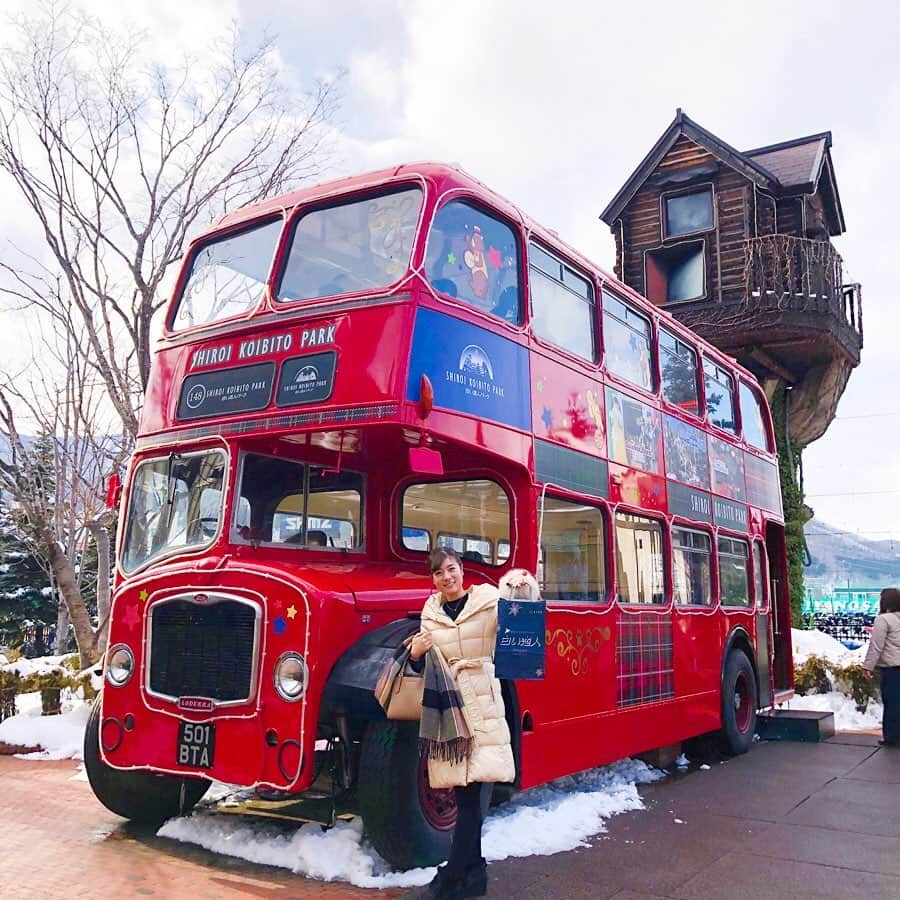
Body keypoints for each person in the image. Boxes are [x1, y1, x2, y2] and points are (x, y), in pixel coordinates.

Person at [405, 547, 514, 900]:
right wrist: (417, 654)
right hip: (449, 708)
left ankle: (451, 879)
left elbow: (521, 620)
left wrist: (522, 587)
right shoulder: (430, 611)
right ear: (433, 579)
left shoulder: (489, 600)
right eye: (438, 573)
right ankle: (473, 875)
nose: (446, 578)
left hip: (481, 702)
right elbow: (422, 668)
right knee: (464, 791)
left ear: (462, 570)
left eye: (450, 569)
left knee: (471, 795)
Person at [862, 587, 900, 746]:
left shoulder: (883, 620)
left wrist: (867, 667)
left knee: (892, 703)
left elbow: (876, 646)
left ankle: (892, 738)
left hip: (892, 669)